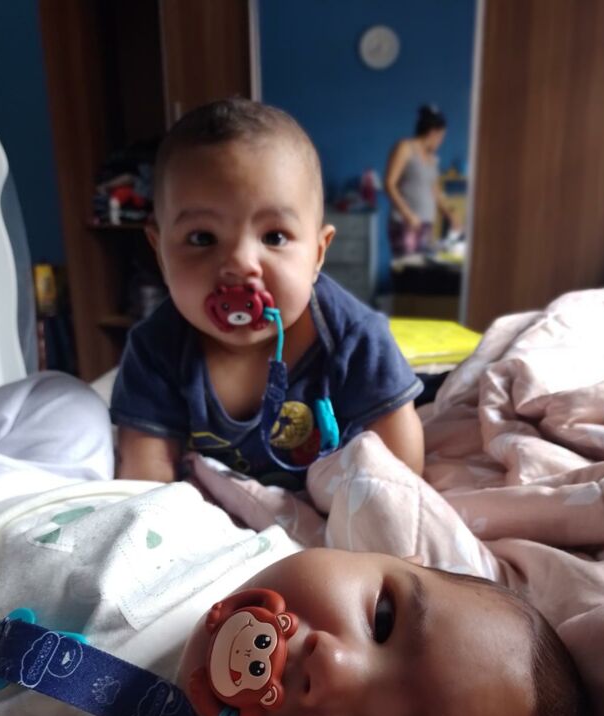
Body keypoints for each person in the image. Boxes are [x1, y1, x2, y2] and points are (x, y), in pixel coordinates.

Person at [0, 373, 594, 716]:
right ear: (393, 559)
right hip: (46, 488)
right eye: (383, 620)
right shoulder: (280, 551)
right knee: (66, 403)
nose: (332, 664)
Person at [110, 98, 425, 488]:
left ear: (318, 254)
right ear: (160, 252)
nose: (240, 263)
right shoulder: (154, 349)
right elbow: (145, 473)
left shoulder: (354, 336)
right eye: (202, 238)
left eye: (274, 237)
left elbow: (400, 470)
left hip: (334, 497)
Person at [384, 104, 459, 258]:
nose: (441, 142)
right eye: (441, 137)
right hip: (405, 223)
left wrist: (450, 215)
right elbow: (389, 184)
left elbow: (435, 191)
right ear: (432, 133)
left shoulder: (433, 159)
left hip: (425, 225)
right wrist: (408, 214)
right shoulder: (405, 148)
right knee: (407, 267)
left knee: (422, 268)